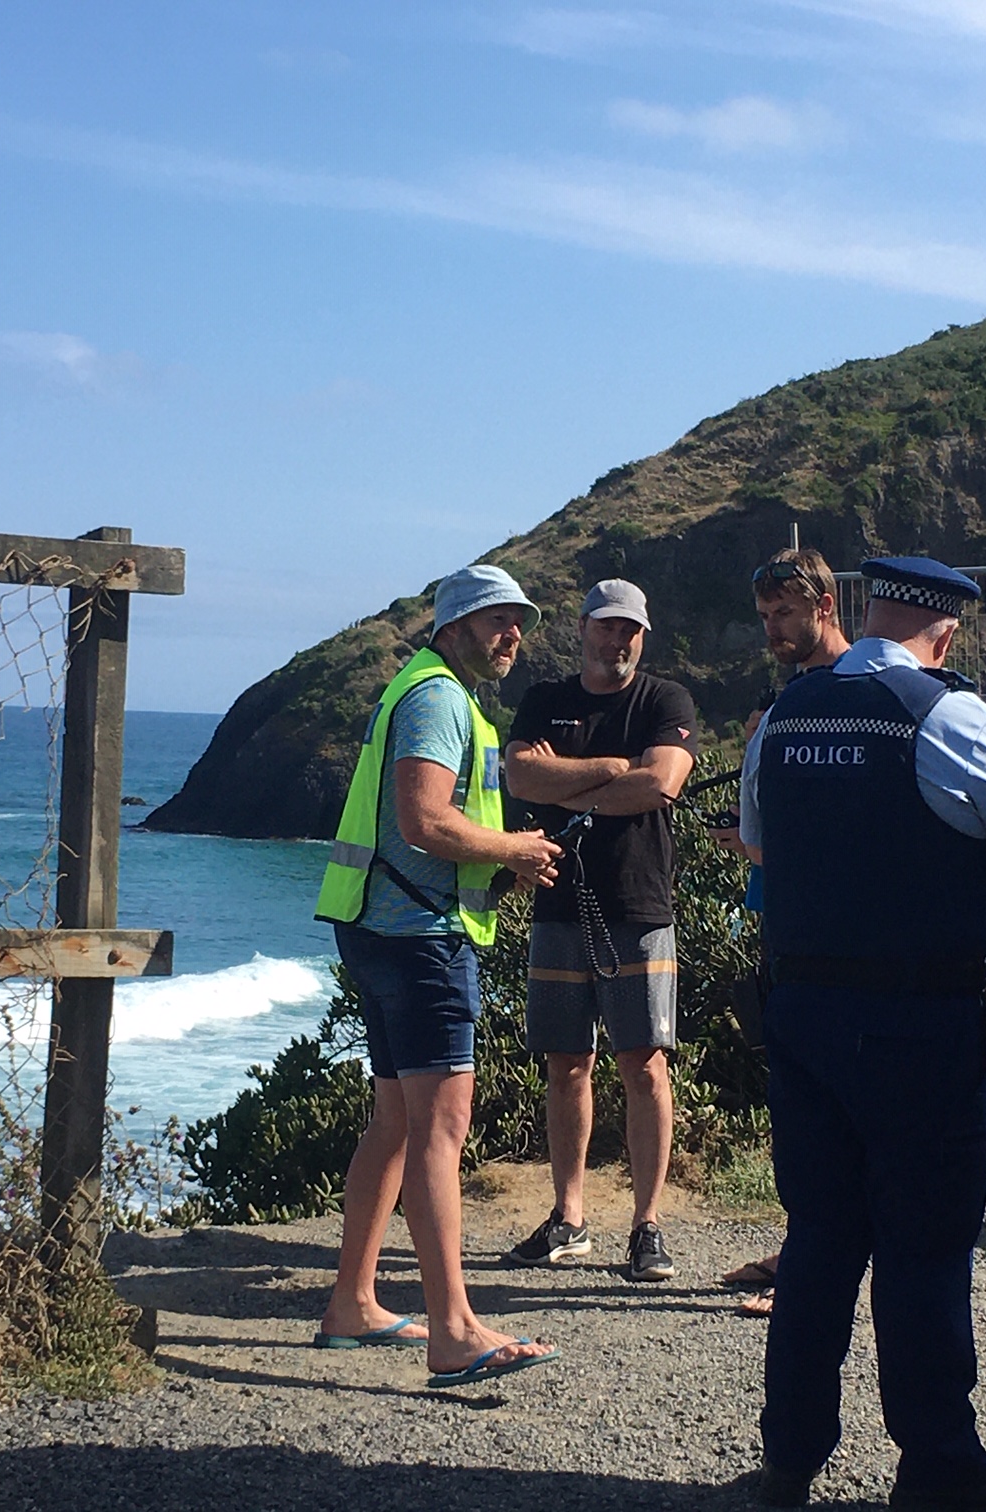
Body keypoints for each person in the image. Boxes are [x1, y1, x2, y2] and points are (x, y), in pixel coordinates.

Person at [742, 556, 986, 1511]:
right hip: (921, 1021)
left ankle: (788, 1463)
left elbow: (763, 844)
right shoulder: (949, 715)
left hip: (801, 1015)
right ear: (949, 632)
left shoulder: (785, 717)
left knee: (818, 1242)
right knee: (924, 1248)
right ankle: (939, 1466)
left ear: (865, 608)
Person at [312, 563, 564, 1387]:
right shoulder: (439, 697)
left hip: (382, 928)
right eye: (495, 619)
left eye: (518, 620)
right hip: (421, 938)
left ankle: (353, 1303)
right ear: (450, 627)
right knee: (439, 1132)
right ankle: (452, 1330)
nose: (511, 633)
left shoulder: (419, 688)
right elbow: (425, 821)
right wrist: (516, 850)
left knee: (393, 1123)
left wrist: (497, 862)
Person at [502, 578, 698, 1282]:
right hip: (559, 902)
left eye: (631, 631)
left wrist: (570, 783)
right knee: (566, 1064)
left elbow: (661, 785)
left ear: (643, 636)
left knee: (645, 1065)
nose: (618, 640)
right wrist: (614, 768)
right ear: (582, 628)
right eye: (607, 627)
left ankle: (647, 1225)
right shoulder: (546, 700)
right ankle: (569, 1217)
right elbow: (520, 777)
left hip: (639, 905)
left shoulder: (665, 701)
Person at [714, 546, 853, 1317]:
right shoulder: (793, 697)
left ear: (825, 607)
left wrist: (752, 841)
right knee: (799, 1101)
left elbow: (810, 834)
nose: (773, 629)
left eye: (786, 614)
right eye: (766, 616)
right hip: (782, 915)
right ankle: (803, 1247)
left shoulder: (835, 697)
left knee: (819, 1104)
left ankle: (812, 1266)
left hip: (815, 927)